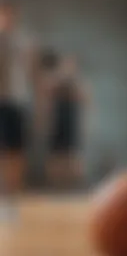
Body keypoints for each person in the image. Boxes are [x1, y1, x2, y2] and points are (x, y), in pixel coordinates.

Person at [0, 0, 38, 219]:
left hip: (17, 101)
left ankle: (11, 198)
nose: (7, 18)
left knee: (16, 152)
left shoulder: (23, 41)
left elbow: (31, 74)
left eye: (10, 13)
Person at [42, 54, 90, 189]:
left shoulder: (79, 84)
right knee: (56, 156)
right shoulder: (55, 82)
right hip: (58, 123)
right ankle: (55, 185)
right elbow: (47, 95)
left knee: (72, 156)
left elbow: (86, 101)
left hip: (71, 123)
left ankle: (71, 186)